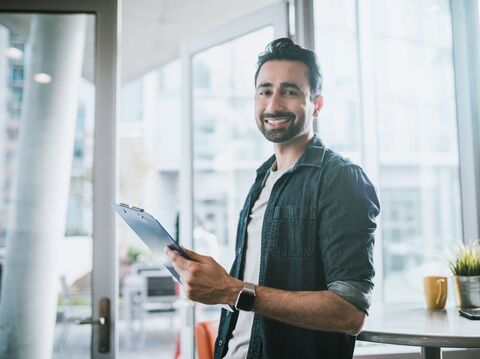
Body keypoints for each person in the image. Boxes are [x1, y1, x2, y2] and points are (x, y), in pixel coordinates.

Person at [165, 38, 380, 359]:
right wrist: (212, 282)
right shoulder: (262, 178)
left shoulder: (341, 178)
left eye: (289, 91)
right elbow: (249, 289)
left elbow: (349, 312)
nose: (273, 104)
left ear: (317, 105)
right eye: (265, 91)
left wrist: (231, 289)